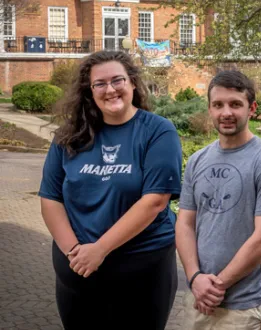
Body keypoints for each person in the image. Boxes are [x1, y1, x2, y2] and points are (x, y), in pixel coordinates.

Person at [38, 50, 182, 330]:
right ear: (89, 91)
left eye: (118, 80)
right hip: (78, 268)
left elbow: (155, 201)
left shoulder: (157, 131)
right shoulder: (69, 136)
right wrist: (75, 252)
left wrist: (100, 250)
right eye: (100, 84)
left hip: (141, 270)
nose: (110, 89)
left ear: (132, 83)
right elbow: (50, 198)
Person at [176, 70, 261, 330]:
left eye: (235, 104)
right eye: (218, 105)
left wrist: (218, 285)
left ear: (252, 108)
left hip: (243, 306)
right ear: (210, 109)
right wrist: (195, 278)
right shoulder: (197, 161)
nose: (226, 112)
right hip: (198, 298)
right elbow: (184, 225)